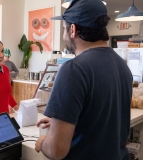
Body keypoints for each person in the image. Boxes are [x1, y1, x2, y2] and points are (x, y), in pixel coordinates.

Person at [35, 0, 133, 159]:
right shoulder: (122, 66)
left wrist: (43, 142)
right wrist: (62, 123)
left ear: (72, 29)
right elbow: (101, 119)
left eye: (64, 29)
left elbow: (57, 150)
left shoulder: (73, 70)